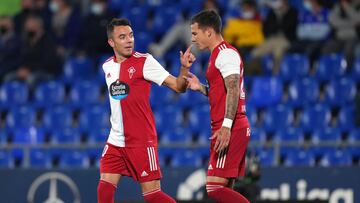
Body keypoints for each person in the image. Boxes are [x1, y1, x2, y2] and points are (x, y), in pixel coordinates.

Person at [97, 18, 195, 203]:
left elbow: (178, 86)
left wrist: (183, 68)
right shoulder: (107, 66)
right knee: (104, 189)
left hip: (141, 141)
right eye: (122, 37)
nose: (129, 40)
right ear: (111, 42)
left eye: (131, 36)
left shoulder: (145, 61)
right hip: (115, 141)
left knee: (152, 195)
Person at [185, 10, 250, 203]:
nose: (193, 39)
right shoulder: (218, 55)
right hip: (227, 125)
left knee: (213, 188)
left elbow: (233, 89)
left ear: (209, 32)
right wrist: (201, 88)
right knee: (224, 190)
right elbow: (221, 91)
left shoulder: (225, 54)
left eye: (195, 33)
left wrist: (226, 127)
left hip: (230, 126)